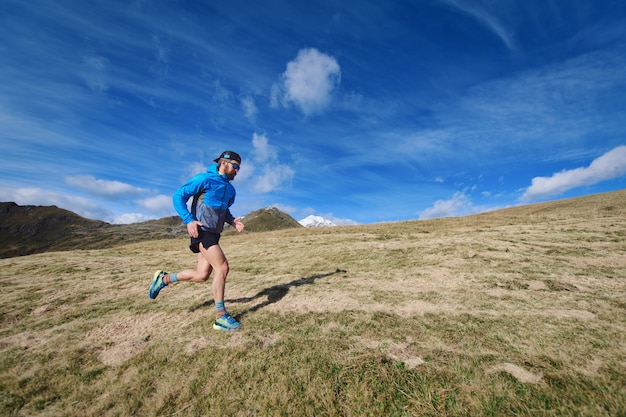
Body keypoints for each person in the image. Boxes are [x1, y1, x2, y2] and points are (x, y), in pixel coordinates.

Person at [149, 151, 245, 331]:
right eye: (236, 166)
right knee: (222, 267)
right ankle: (220, 316)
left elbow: (223, 210)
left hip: (214, 233)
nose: (237, 171)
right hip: (202, 230)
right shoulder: (204, 179)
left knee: (201, 275)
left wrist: (232, 221)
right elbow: (178, 196)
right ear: (224, 163)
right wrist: (188, 220)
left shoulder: (231, 190)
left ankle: (164, 279)